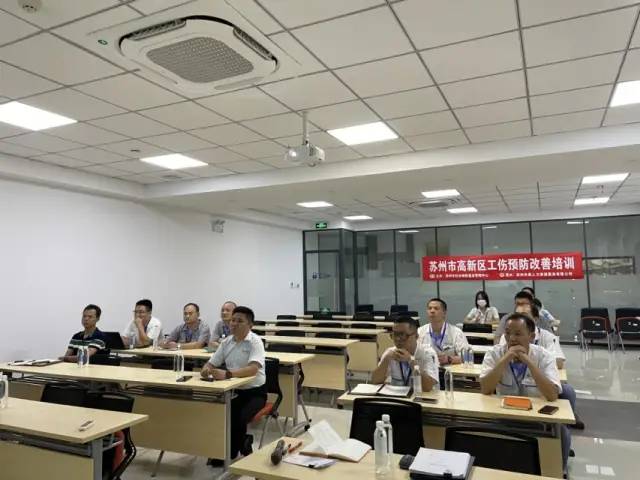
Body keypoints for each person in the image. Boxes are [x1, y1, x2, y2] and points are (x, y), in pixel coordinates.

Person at [480, 313, 571, 474]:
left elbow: (552, 395)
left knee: (562, 432)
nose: (512, 338)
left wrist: (528, 361)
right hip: (503, 417)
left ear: (531, 336)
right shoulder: (494, 353)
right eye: (508, 333)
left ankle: (557, 473)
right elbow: (485, 389)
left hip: (537, 420)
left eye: (518, 334)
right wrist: (506, 358)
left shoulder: (544, 356)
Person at [201, 306, 265, 462]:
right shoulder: (226, 342)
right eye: (233, 320)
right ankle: (227, 449)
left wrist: (228, 374)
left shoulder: (255, 341)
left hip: (254, 393)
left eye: (240, 321)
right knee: (218, 414)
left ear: (250, 325)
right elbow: (211, 363)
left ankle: (232, 451)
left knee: (238, 418)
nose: (234, 324)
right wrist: (206, 369)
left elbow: (253, 369)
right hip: (232, 391)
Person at [372, 315, 439, 391]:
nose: (398, 339)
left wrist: (411, 361)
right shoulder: (390, 353)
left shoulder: (428, 353)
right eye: (395, 335)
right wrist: (386, 360)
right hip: (398, 395)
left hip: (422, 396)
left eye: (403, 335)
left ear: (416, 336)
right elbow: (375, 381)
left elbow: (428, 388)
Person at [418, 298, 469, 366]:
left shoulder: (456, 332)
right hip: (427, 369)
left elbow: (467, 357)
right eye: (430, 308)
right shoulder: (420, 331)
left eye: (436, 308)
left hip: (450, 370)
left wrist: (449, 359)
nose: (432, 311)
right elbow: (413, 354)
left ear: (444, 313)